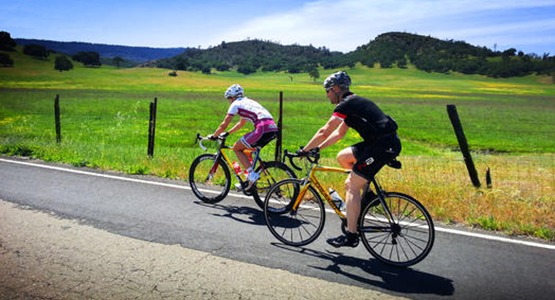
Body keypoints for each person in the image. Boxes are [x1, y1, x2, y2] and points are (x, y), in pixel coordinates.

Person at [299, 71, 401, 248]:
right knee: (343, 157)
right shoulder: (353, 104)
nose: (327, 95)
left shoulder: (346, 104)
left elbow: (326, 130)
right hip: (379, 143)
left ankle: (351, 235)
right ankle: (368, 196)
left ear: (337, 89)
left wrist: (305, 150)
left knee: (351, 186)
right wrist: (317, 149)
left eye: (328, 91)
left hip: (381, 146)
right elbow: (339, 134)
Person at [209, 84, 278, 186]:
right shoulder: (248, 102)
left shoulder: (235, 104)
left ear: (232, 97)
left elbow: (224, 124)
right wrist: (227, 133)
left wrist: (214, 136)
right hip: (272, 128)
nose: (229, 101)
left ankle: (251, 175)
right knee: (248, 149)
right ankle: (249, 181)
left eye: (229, 99)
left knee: (236, 148)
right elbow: (241, 123)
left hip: (262, 128)